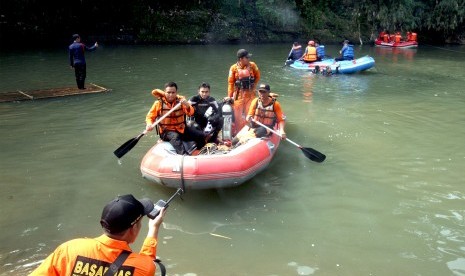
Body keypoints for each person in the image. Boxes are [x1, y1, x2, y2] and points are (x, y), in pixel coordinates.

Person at [30, 194, 167, 276]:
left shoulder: (69, 249)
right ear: (133, 229)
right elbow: (147, 263)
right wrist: (154, 228)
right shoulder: (143, 267)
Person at [146, 82, 195, 154]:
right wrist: (149, 124)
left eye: (173, 92)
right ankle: (184, 155)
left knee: (198, 134)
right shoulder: (159, 103)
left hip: (181, 128)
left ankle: (203, 150)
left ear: (176, 92)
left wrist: (187, 105)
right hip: (166, 132)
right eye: (168, 92)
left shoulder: (181, 101)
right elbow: (150, 117)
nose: (171, 95)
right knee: (175, 137)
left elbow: (191, 113)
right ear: (165, 92)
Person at [226, 49, 261, 134]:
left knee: (250, 114)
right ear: (241, 59)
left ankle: (250, 131)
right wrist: (229, 96)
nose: (249, 59)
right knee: (238, 117)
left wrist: (253, 87)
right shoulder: (233, 68)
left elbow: (257, 76)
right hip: (238, 96)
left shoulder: (252, 65)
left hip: (250, 95)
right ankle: (239, 133)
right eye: (247, 57)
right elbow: (230, 83)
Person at [186, 82, 222, 148]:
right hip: (195, 122)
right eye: (202, 92)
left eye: (206, 92)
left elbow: (219, 112)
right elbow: (184, 110)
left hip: (207, 121)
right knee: (193, 128)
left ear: (209, 92)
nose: (204, 94)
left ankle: (214, 138)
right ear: (198, 91)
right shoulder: (193, 99)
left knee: (220, 120)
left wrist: (214, 117)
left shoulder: (212, 100)